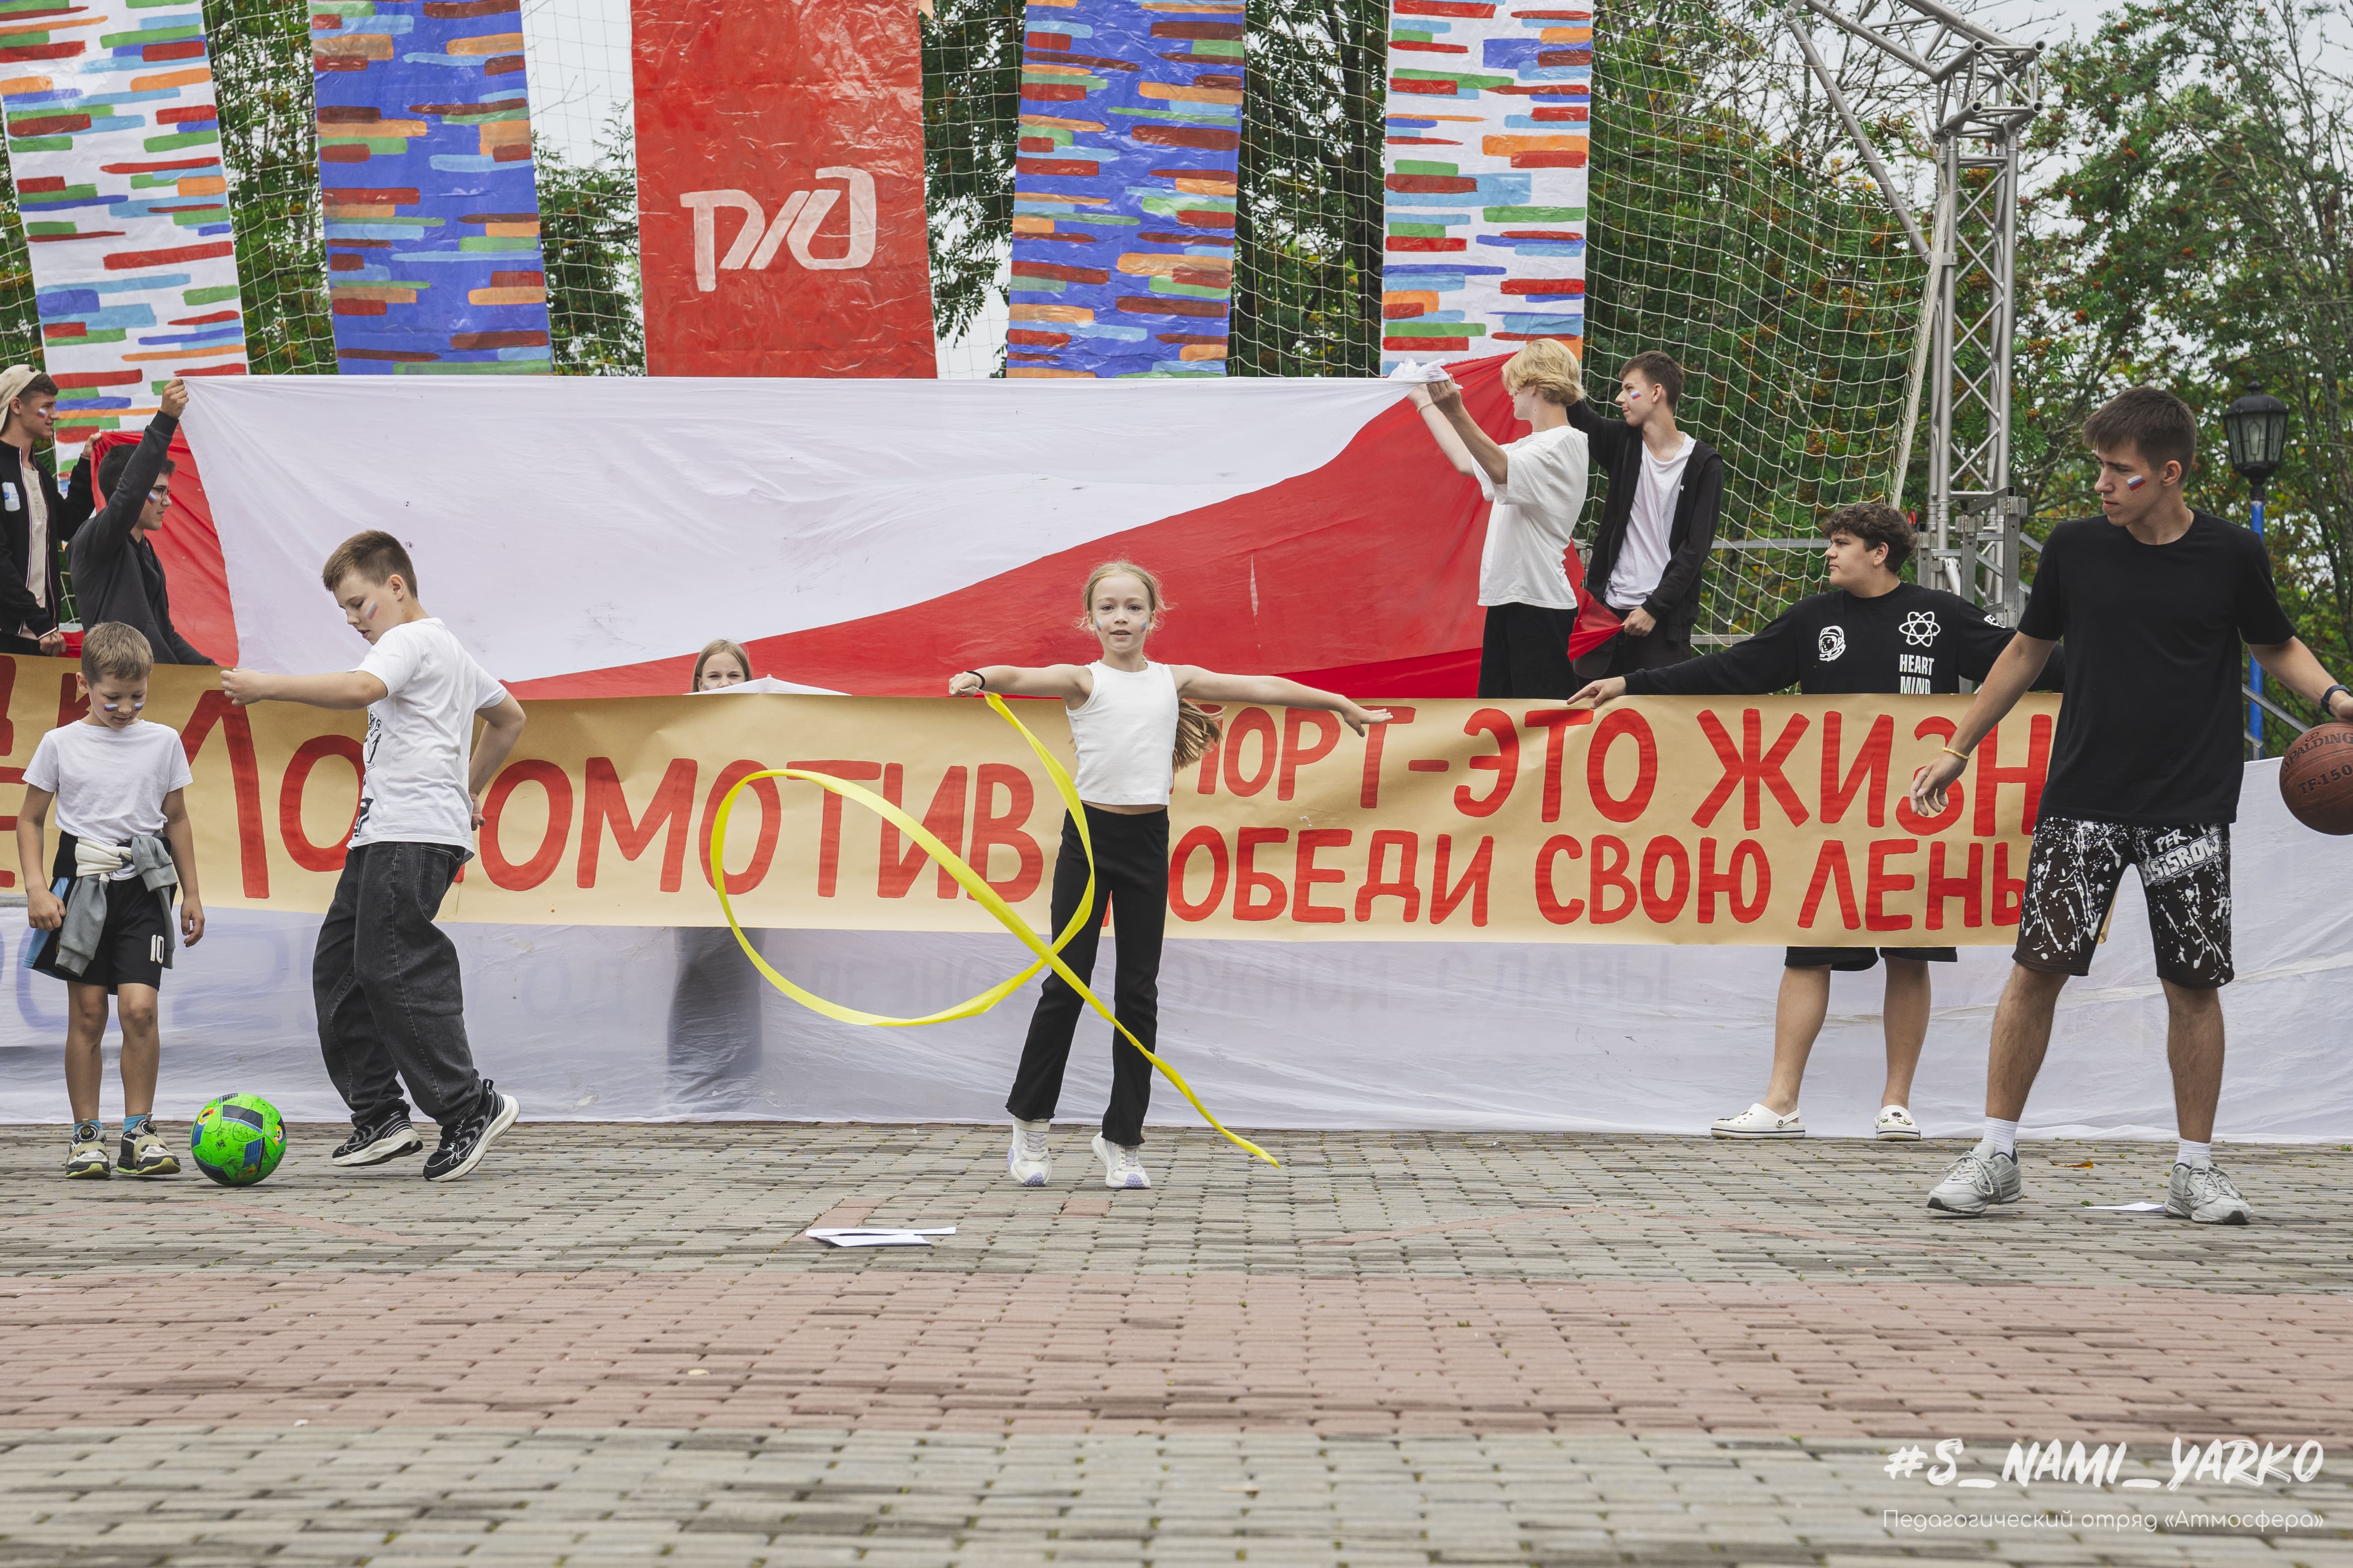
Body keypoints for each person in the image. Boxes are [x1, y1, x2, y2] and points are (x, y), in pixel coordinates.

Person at [1909, 386, 2353, 1224]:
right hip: (2083, 800)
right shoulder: (2075, 549)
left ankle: (2195, 1170)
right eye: (2100, 468)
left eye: (2120, 471)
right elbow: (2024, 651)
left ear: (2169, 473)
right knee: (2035, 970)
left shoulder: (2231, 553)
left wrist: (2334, 699)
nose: (2102, 484)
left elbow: (2274, 642)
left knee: (2192, 983)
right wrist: (1958, 746)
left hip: (2189, 807)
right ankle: (1995, 1153)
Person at [1573, 501, 2058, 1142]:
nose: (1828, 552)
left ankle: (1895, 1105)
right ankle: (1780, 1102)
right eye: (1831, 541)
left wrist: (2115, 667)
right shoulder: (1812, 619)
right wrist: (1632, 684)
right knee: (1807, 952)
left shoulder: (1939, 614)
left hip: (1915, 818)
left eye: (1841, 542)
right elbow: (1732, 671)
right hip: (1831, 824)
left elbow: (2024, 662)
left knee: (1907, 953)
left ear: (1878, 553)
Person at [948, 560, 1390, 1189]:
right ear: (1090, 618)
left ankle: (1121, 1139)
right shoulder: (1082, 680)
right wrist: (978, 676)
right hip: (1088, 842)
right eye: (1107, 608)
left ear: (1152, 617)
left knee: (1138, 992)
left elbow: (1261, 687)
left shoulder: (1172, 679)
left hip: (1146, 843)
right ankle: (1030, 1125)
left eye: (1132, 607)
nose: (1120, 618)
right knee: (1067, 983)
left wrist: (1338, 702)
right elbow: (1020, 676)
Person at [221, 531, 530, 1181]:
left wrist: (266, 685)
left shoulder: (409, 639)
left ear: (396, 586)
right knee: (340, 968)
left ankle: (469, 1105)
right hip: (383, 833)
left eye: (360, 603)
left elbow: (361, 688)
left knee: (393, 965)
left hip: (409, 834)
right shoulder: (447, 648)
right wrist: (468, 788)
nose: (354, 620)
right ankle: (380, 1114)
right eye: (344, 610)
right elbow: (510, 718)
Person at [14, 623, 205, 1179]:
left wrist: (192, 892)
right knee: (90, 1012)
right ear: (85, 684)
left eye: (137, 697)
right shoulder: (60, 743)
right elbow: (30, 819)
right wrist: (36, 887)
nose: (125, 709)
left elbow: (177, 818)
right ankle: (86, 1136)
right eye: (113, 697)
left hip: (145, 886)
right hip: (83, 887)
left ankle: (139, 1132)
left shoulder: (164, 741)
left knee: (140, 1009)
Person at [1411, 339, 1591, 698]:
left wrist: (1456, 411)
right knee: (1497, 713)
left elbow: (1499, 467)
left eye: (1515, 386)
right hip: (1515, 597)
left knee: (1539, 717)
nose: (1510, 393)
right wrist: (1424, 402)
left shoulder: (1562, 444)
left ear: (1534, 385)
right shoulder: (1532, 446)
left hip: (1538, 601)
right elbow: (1467, 461)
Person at [1566, 351, 1721, 677]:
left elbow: (1695, 550)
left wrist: (1654, 608)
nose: (1620, 398)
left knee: (1657, 707)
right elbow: (1578, 414)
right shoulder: (1621, 443)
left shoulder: (1704, 464)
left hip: (1661, 623)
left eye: (1629, 389)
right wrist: (1552, 358)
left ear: (1656, 392)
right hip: (1604, 618)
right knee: (1589, 706)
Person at [668, 637, 770, 1110]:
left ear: (750, 680)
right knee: (695, 969)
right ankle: (687, 1078)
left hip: (752, 873)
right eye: (715, 676)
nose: (725, 683)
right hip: (692, 870)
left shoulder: (768, 727)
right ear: (698, 682)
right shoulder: (676, 728)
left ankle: (741, 1082)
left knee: (743, 976)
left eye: (734, 675)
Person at [66, 380, 210, 666]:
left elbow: (165, 635)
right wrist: (166, 419)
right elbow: (131, 492)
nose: (167, 502)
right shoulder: (94, 539)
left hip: (152, 681)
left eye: (168, 492)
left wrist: (213, 673)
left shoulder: (145, 549)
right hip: (120, 685)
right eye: (158, 491)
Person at [0, 365, 79, 658]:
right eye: (47, 406)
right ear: (17, 406)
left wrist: (85, 465)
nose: (55, 415)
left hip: (40, 634)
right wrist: (39, 621)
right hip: (9, 634)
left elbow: (69, 525)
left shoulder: (38, 472)